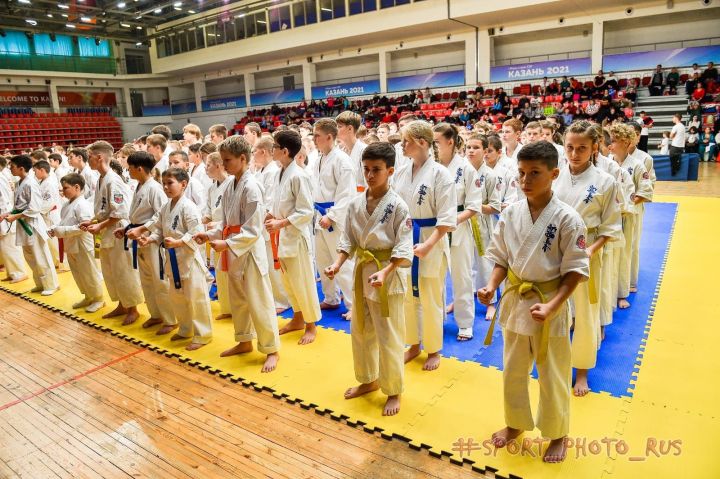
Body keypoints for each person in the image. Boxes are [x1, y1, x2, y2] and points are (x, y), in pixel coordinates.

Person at [478, 140, 588, 463]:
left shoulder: (569, 219)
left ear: (554, 173)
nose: (525, 181)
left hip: (549, 303)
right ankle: (515, 423)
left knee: (552, 373)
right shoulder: (511, 213)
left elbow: (576, 271)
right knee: (512, 369)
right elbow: (501, 258)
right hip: (516, 303)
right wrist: (490, 286)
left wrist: (554, 306)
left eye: (534, 173)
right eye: (521, 173)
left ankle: (558, 433)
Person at [324, 142, 413, 416]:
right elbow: (347, 238)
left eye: (376, 170)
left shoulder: (398, 206)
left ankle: (394, 390)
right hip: (363, 272)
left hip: (388, 275)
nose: (370, 175)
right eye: (366, 169)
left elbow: (403, 246)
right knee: (362, 332)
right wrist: (337, 264)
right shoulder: (355, 203)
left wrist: (386, 271)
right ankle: (368, 379)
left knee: (389, 335)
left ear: (390, 171)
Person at [195, 136, 281, 372]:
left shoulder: (252, 187)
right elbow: (224, 220)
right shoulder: (231, 185)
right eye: (221, 160)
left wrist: (227, 243)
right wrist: (210, 235)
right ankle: (244, 341)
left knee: (259, 300)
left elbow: (253, 229)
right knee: (238, 300)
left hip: (249, 251)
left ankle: (271, 349)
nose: (223, 165)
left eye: (227, 160)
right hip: (233, 248)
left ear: (243, 159)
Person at [554, 121, 621, 397]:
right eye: (569, 147)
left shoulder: (606, 181)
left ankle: (582, 370)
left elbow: (610, 226)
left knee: (584, 311)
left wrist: (590, 252)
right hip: (555, 247)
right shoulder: (555, 174)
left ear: (595, 148)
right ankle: (555, 362)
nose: (574, 153)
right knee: (556, 308)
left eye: (582, 148)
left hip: (587, 248)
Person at [394, 120, 456, 371]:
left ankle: (433, 349)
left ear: (421, 143)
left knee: (430, 297)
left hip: (431, 237)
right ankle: (412, 344)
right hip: (407, 237)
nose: (402, 145)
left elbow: (447, 218)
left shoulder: (441, 174)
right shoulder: (401, 171)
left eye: (406, 140)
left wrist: (429, 244)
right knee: (408, 295)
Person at [137, 168, 213, 350]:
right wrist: (150, 239)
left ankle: (203, 334)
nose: (165, 187)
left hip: (189, 259)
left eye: (170, 183)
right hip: (172, 260)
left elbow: (196, 232)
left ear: (184, 184)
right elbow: (161, 231)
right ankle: (185, 329)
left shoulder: (189, 207)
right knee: (177, 297)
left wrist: (180, 242)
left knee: (195, 298)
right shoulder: (166, 206)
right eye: (164, 183)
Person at [265, 130, 321, 345]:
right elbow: (281, 203)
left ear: (285, 151)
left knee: (303, 281)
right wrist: (272, 214)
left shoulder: (299, 175)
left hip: (296, 237)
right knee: (289, 281)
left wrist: (281, 222)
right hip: (283, 235)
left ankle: (311, 325)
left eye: (275, 147)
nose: (272, 151)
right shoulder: (280, 173)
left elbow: (306, 211)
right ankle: (298, 318)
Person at [80, 141, 143, 325]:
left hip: (118, 232)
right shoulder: (101, 178)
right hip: (107, 230)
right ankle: (122, 305)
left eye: (90, 156)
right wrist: (93, 220)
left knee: (123, 271)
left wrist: (100, 226)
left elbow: (121, 211)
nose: (88, 160)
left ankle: (133, 309)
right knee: (110, 271)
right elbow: (103, 208)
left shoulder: (113, 180)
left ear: (99, 157)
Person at [433, 123, 483, 341]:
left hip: (458, 228)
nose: (433, 147)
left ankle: (465, 324)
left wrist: (451, 221)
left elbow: (474, 206)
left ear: (450, 142)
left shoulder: (466, 168)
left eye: (436, 142)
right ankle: (437, 318)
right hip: (433, 229)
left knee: (461, 277)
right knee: (433, 276)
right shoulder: (430, 167)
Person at [121, 151, 176, 334]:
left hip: (152, 239)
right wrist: (128, 228)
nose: (128, 171)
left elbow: (161, 215)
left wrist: (142, 229)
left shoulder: (154, 188)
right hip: (139, 237)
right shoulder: (139, 186)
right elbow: (137, 215)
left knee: (159, 280)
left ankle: (170, 319)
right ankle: (156, 314)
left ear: (139, 168)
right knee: (146, 280)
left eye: (130, 168)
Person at [312, 118, 357, 319]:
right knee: (322, 259)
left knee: (343, 263)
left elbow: (347, 194)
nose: (314, 140)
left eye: (317, 136)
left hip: (335, 218)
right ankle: (331, 298)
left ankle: (354, 305)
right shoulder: (318, 159)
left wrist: (331, 216)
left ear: (329, 137)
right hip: (319, 215)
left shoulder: (342, 161)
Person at [0, 155, 59, 296]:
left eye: (12, 167)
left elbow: (34, 208)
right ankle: (40, 283)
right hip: (23, 223)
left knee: (41, 255)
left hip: (33, 224)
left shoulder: (30, 183)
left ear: (21, 168)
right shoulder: (20, 182)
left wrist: (15, 216)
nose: (10, 169)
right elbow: (19, 205)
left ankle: (52, 284)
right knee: (30, 257)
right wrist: (7, 213)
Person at [608, 125, 652, 309]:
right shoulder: (608, 162)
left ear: (625, 143)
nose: (610, 145)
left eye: (613, 141)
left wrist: (627, 205)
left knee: (626, 253)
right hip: (610, 216)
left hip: (628, 215)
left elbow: (646, 191)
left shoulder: (638, 164)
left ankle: (622, 293)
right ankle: (610, 292)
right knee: (611, 255)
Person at [49, 173, 104, 313]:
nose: (63, 191)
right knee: (78, 274)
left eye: (66, 188)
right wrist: (54, 228)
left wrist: (60, 230)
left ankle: (98, 299)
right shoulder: (67, 204)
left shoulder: (83, 205)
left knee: (89, 273)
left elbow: (83, 227)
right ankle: (88, 296)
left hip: (83, 245)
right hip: (71, 244)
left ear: (77, 187)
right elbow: (63, 222)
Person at [464, 133, 502, 320]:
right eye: (468, 147)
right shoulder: (460, 171)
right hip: (462, 222)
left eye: (476, 147)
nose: (471, 150)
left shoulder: (491, 175)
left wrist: (472, 207)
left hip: (483, 224)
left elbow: (495, 206)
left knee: (485, 264)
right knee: (463, 263)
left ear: (485, 151)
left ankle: (491, 302)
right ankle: (461, 299)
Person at [252, 137, 291, 314]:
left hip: (270, 223)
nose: (253, 154)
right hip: (262, 224)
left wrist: (262, 220)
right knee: (267, 264)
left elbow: (269, 202)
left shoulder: (272, 172)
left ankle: (283, 300)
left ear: (264, 152)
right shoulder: (262, 172)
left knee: (275, 264)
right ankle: (275, 297)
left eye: (254, 151)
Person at [0, 156, 28, 284]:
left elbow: (6, 199)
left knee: (10, 245)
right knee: (4, 247)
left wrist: (5, 215)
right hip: (4, 215)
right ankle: (11, 272)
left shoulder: (1, 178)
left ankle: (19, 272)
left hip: (5, 217)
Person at [336, 111, 368, 193]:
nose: (336, 130)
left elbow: (368, 184)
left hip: (361, 199)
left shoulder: (365, 151)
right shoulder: (340, 152)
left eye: (339, 126)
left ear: (350, 128)